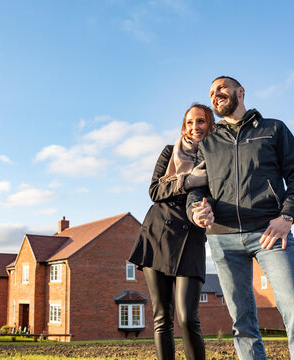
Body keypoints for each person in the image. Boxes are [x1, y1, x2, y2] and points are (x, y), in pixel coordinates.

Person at [187, 76, 294, 360]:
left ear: (240, 91)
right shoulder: (208, 143)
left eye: (221, 88)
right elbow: (196, 189)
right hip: (223, 238)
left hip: (270, 232)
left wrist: (287, 216)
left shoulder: (274, 129)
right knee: (242, 319)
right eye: (211, 92)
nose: (215, 94)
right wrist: (197, 210)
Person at [129, 103, 214, 360]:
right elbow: (155, 191)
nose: (194, 127)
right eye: (189, 122)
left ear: (210, 124)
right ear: (183, 126)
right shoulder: (170, 151)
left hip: (192, 237)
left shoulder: (218, 155)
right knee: (161, 317)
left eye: (200, 121)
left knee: (188, 318)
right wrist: (187, 182)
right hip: (158, 235)